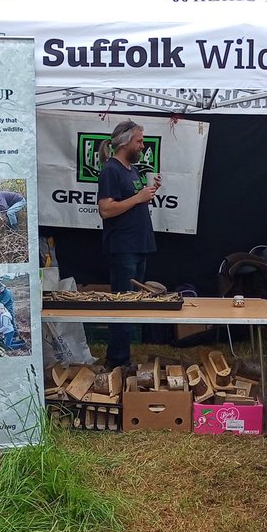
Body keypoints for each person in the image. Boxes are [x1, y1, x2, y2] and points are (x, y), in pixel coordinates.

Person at [97, 118, 159, 366]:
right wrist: (138, 198)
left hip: (139, 245)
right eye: (140, 141)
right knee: (122, 305)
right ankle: (117, 362)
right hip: (123, 248)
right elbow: (106, 209)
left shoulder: (131, 170)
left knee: (131, 305)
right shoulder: (111, 170)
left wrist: (147, 195)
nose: (143, 146)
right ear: (125, 143)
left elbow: (131, 202)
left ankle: (123, 358)